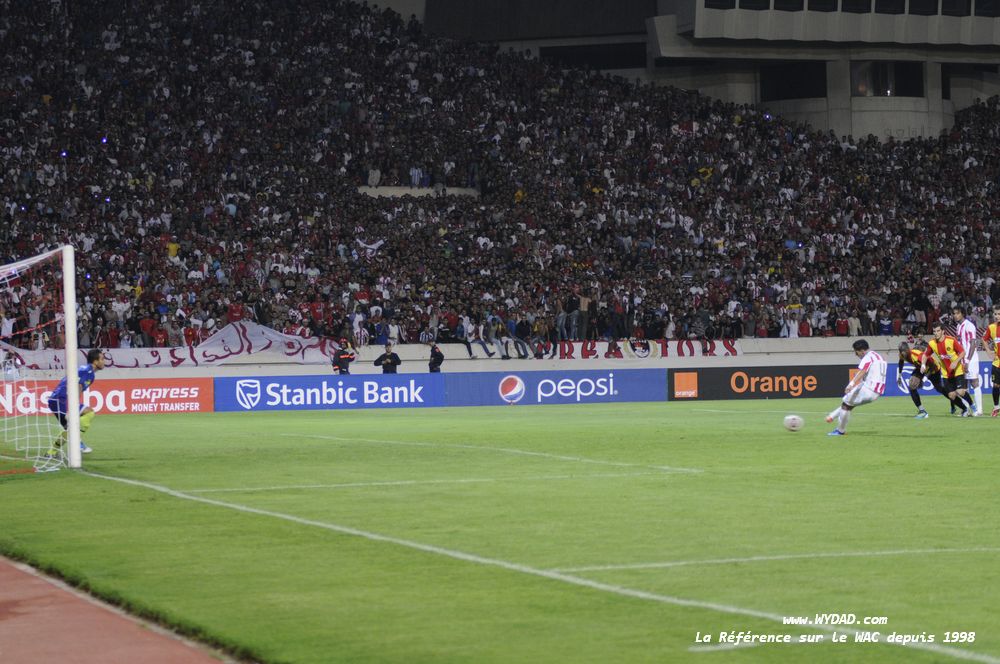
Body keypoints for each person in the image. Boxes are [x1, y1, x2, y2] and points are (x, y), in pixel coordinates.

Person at [46, 349, 106, 456]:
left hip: (59, 399)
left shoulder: (89, 373)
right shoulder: (87, 371)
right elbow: (78, 387)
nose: (104, 361)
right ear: (95, 362)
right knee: (89, 413)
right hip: (62, 399)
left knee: (69, 430)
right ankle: (77, 443)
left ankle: (51, 452)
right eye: (102, 359)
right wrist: (71, 408)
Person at [825, 339, 887, 436]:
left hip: (869, 389)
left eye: (856, 352)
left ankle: (840, 431)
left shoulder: (867, 357)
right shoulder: (879, 356)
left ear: (862, 350)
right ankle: (831, 416)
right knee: (849, 402)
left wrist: (851, 384)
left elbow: (862, 371)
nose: (856, 354)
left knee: (846, 405)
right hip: (876, 391)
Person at [921, 322, 976, 416]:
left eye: (938, 331)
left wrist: (955, 362)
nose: (936, 333)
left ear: (943, 331)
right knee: (951, 395)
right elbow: (925, 355)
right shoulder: (932, 343)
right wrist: (923, 364)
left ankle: (972, 405)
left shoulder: (951, 340)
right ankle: (965, 409)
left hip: (957, 370)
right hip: (946, 373)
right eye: (934, 331)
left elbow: (962, 352)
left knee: (960, 391)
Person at [896, 340, 950, 418]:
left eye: (903, 351)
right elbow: (901, 362)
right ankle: (922, 410)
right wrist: (899, 376)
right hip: (920, 368)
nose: (902, 353)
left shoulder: (916, 354)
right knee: (912, 385)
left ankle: (953, 399)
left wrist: (924, 379)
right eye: (900, 351)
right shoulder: (902, 355)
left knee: (939, 388)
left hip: (933, 368)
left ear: (907, 349)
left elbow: (932, 365)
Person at [953, 306, 983, 416]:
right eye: (954, 313)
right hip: (962, 359)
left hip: (971, 359)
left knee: (974, 382)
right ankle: (967, 410)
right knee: (964, 386)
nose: (955, 315)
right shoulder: (958, 326)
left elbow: (973, 343)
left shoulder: (969, 326)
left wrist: (967, 360)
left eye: (957, 313)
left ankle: (979, 410)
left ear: (962, 314)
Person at [981, 306, 1000, 417]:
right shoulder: (991, 328)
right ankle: (996, 407)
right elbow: (984, 339)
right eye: (996, 314)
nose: (997, 316)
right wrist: (988, 350)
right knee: (996, 385)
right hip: (997, 362)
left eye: (999, 314)